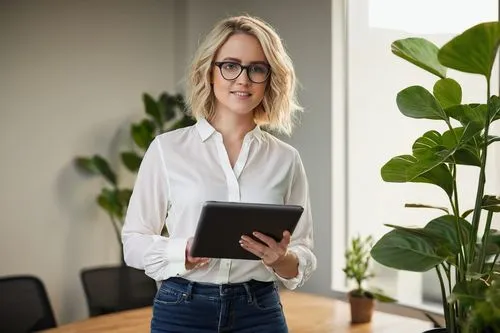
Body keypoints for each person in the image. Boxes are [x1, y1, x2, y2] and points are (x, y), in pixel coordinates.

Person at [122, 15, 317, 333]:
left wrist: (279, 259)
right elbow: (133, 242)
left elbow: (303, 250)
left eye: (256, 68)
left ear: (269, 78)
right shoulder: (167, 149)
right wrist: (181, 251)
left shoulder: (286, 159)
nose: (243, 80)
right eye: (230, 65)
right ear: (209, 72)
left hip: (259, 311)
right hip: (181, 308)